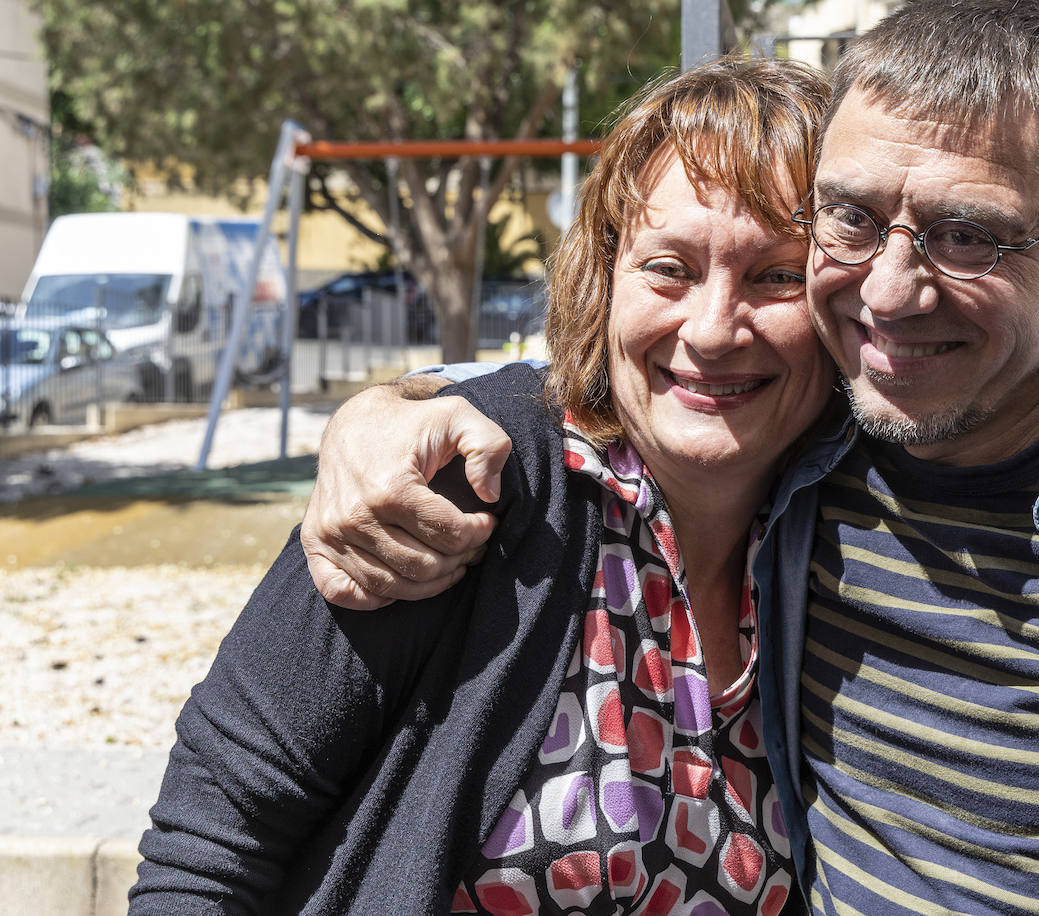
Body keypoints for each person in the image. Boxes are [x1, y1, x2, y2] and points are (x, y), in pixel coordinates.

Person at [302, 2, 1039, 915]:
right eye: (851, 219)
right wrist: (391, 411)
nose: (891, 294)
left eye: (968, 236)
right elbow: (652, 363)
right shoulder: (817, 430)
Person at [131, 56, 836, 913]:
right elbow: (213, 834)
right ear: (605, 280)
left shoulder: (844, 536)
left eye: (776, 276)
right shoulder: (464, 482)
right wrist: (388, 406)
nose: (715, 329)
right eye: (669, 269)